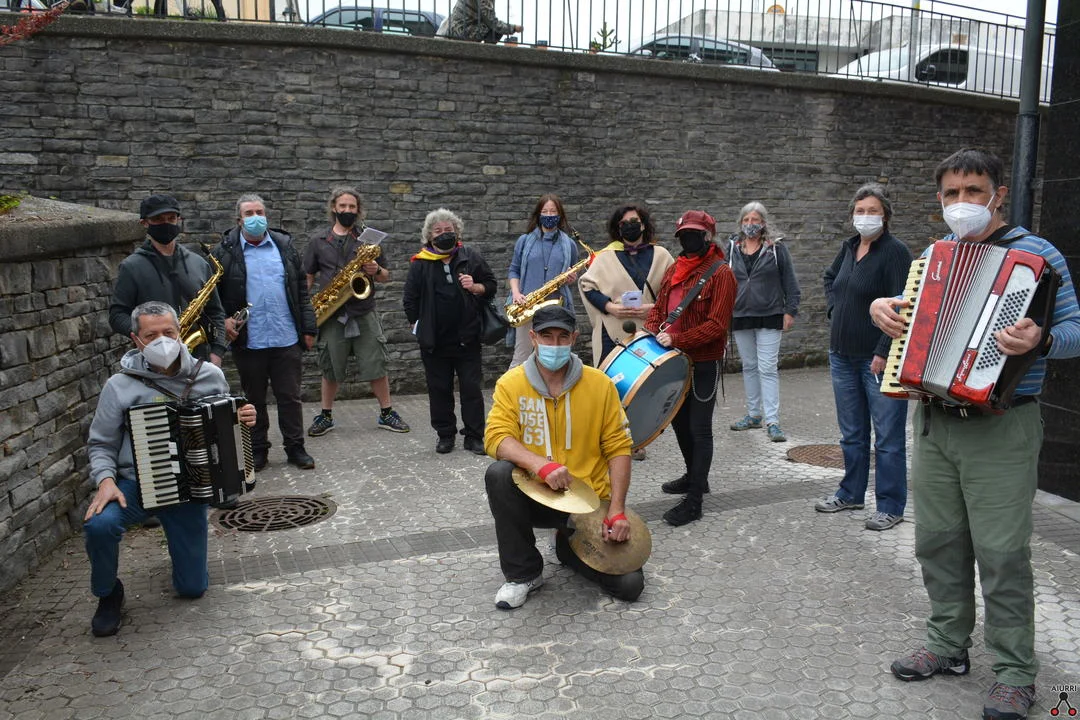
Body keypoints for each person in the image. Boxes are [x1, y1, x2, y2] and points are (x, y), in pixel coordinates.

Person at [871, 148, 1080, 720]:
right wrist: (882, 315)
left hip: (1003, 427)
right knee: (937, 542)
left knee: (1002, 553)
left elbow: (1075, 330)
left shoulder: (1038, 254)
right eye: (951, 193)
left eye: (974, 190)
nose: (961, 202)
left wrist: (1041, 340)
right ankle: (947, 645)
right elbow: (908, 329)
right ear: (939, 198)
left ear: (998, 194)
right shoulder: (933, 257)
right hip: (934, 421)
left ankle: (1015, 672)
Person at [83, 301, 256, 637]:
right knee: (99, 525)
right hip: (135, 485)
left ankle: (183, 556)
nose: (162, 340)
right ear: (136, 340)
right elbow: (101, 443)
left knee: (192, 588)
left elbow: (227, 425)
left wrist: (245, 419)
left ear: (180, 332)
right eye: (151, 335)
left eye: (169, 332)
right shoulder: (119, 386)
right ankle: (107, 592)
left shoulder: (209, 375)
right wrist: (105, 480)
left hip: (191, 490)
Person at [484, 305, 642, 609]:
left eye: (562, 337)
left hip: (588, 502)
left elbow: (619, 447)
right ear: (533, 337)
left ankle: (565, 546)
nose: (554, 344)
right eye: (547, 336)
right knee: (498, 474)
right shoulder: (511, 384)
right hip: (533, 495)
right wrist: (540, 465)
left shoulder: (600, 384)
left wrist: (617, 510)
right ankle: (523, 574)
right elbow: (496, 437)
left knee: (630, 585)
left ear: (574, 338)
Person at [815, 183, 911, 532]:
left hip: (877, 360)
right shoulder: (849, 246)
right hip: (841, 355)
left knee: (887, 438)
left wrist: (883, 351)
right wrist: (834, 309)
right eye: (860, 211)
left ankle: (890, 505)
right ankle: (851, 493)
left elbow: (903, 305)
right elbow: (830, 278)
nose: (865, 216)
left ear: (885, 215)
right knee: (852, 434)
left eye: (873, 211)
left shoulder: (895, 252)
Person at [644, 210, 737, 527]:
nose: (688, 239)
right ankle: (694, 476)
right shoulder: (674, 268)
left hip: (703, 362)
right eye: (684, 234)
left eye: (695, 233)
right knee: (678, 422)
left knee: (699, 428)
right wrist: (651, 332)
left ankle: (695, 500)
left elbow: (717, 326)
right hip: (672, 360)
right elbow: (659, 308)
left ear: (708, 236)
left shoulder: (721, 274)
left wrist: (677, 338)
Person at [212, 194, 317, 471]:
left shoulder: (284, 247)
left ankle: (296, 448)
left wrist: (308, 327)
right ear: (239, 220)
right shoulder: (224, 252)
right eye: (249, 213)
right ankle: (258, 450)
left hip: (285, 336)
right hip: (250, 339)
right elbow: (213, 296)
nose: (256, 218)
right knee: (253, 400)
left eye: (259, 212)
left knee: (290, 397)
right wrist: (223, 321)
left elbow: (301, 291)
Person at [304, 187, 410, 436]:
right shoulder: (317, 241)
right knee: (330, 367)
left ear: (358, 209)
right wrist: (305, 307)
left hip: (363, 311)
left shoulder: (368, 239)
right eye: (343, 206)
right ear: (334, 208)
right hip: (331, 313)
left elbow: (385, 276)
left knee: (376, 364)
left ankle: (387, 413)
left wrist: (376, 270)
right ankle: (325, 415)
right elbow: (307, 276)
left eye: (352, 207)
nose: (347, 210)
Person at [402, 208, 497, 455]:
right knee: (439, 389)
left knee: (471, 389)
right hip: (435, 341)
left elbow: (491, 285)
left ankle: (474, 436)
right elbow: (410, 300)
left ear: (457, 232)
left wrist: (475, 286)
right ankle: (445, 435)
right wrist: (418, 326)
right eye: (438, 231)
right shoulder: (420, 263)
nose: (444, 234)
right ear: (429, 236)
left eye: (449, 230)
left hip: (467, 338)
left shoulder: (470, 256)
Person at [109, 193, 227, 367]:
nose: (165, 223)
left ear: (179, 219)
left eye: (171, 218)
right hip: (153, 359)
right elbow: (117, 315)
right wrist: (148, 334)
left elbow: (215, 312)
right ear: (144, 223)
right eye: (158, 219)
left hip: (198, 358)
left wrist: (217, 351)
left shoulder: (199, 263)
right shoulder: (131, 266)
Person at [727, 202, 801, 443]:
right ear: (741, 223)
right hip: (740, 314)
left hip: (770, 313)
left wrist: (790, 311)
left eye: (755, 220)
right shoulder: (732, 249)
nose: (751, 224)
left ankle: (772, 421)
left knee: (767, 368)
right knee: (749, 366)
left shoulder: (776, 249)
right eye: (746, 220)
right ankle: (753, 415)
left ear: (763, 223)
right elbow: (723, 281)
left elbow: (790, 282)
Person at [579, 203, 675, 366]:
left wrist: (655, 308)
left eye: (634, 221)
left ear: (643, 225)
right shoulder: (605, 257)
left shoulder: (662, 256)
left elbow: (675, 291)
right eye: (624, 223)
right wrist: (610, 307)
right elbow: (587, 287)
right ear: (618, 228)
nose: (630, 225)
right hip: (612, 333)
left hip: (652, 332)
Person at [507, 194, 580, 369]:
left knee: (554, 358)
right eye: (545, 211)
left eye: (553, 211)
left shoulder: (569, 244)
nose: (549, 215)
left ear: (560, 214)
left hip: (556, 307)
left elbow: (572, 274)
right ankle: (510, 387)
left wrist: (572, 278)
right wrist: (516, 293)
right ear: (538, 214)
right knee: (521, 357)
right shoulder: (524, 241)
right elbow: (514, 270)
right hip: (526, 305)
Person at [443, 0, 521, 43]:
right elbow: (492, 22)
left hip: (453, 29)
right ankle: (485, 54)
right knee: (496, 30)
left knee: (494, 26)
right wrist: (513, 28)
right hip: (461, 32)